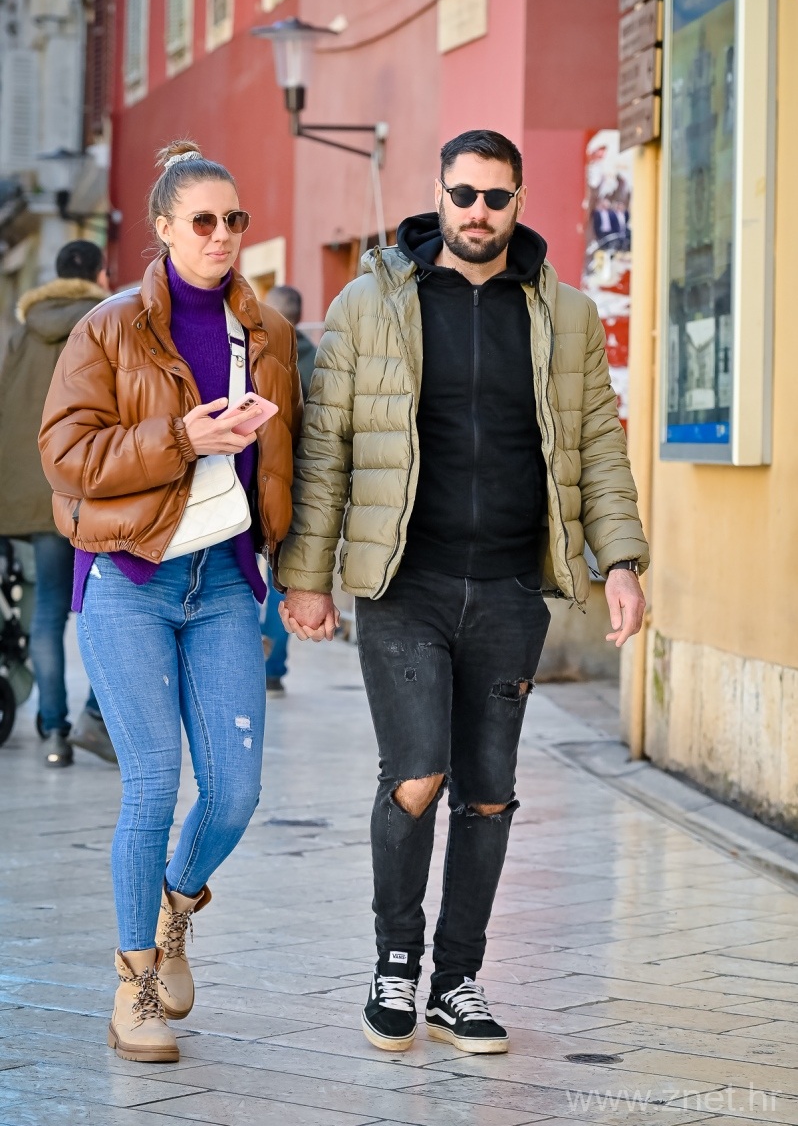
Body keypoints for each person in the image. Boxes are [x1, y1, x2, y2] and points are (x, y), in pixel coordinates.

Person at [276, 129, 648, 1055]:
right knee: (417, 776)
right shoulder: (371, 303)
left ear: (519, 201)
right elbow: (326, 449)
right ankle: (395, 963)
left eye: (496, 196)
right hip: (406, 581)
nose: (478, 212)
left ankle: (457, 981)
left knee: (487, 793)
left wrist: (621, 560)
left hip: (513, 586)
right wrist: (307, 577)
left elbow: (599, 444)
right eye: (463, 194)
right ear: (438, 195)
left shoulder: (563, 313)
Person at [39, 140, 302, 1063]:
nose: (222, 234)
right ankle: (135, 986)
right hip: (131, 578)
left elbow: (290, 462)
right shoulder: (108, 328)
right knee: (153, 783)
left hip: (225, 581)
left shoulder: (265, 334)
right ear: (163, 228)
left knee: (234, 791)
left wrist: (296, 570)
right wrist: (181, 438)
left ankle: (175, 908)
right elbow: (66, 456)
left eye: (235, 219)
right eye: (203, 220)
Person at [0, 240, 114, 768]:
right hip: (94, 487)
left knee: (47, 611)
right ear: (99, 274)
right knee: (110, 608)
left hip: (37, 493)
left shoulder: (23, 334)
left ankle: (53, 732)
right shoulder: (106, 322)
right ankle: (96, 718)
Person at [259, 285, 316, 697]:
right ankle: (272, 669)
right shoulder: (317, 357)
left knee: (243, 578)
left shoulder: (256, 349)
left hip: (256, 482)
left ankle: (249, 660)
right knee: (283, 578)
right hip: (298, 485)